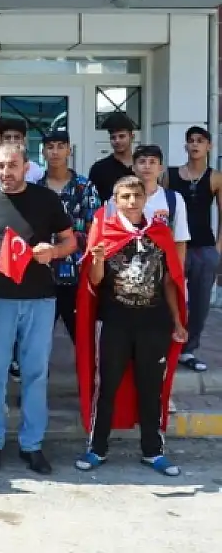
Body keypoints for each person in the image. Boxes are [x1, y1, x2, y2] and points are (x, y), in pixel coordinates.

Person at [0, 144, 76, 475]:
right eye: (0, 166)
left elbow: (71, 241)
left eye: (12, 165)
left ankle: (32, 445)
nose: (6, 172)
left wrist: (54, 252)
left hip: (40, 299)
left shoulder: (47, 198)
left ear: (27, 167)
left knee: (35, 373)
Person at [75, 176, 187, 477]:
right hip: (115, 322)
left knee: (152, 389)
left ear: (145, 198)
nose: (132, 201)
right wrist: (97, 259)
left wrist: (177, 320)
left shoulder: (160, 233)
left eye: (137, 195)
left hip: (154, 322)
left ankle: (153, 451)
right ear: (115, 200)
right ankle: (97, 448)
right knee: (107, 387)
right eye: (125, 196)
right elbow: (94, 281)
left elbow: (169, 281)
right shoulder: (105, 231)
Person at [168, 126, 222, 371]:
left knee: (200, 303)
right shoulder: (170, 175)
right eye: (191, 140)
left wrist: (218, 248)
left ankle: (189, 350)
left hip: (203, 247)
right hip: (175, 246)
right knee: (169, 297)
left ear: (209, 146)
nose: (195, 145)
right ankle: (168, 345)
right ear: (185, 145)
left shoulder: (215, 177)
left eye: (200, 141)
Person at [39, 132, 99, 344]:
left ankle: (87, 369)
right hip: (42, 273)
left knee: (82, 335)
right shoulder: (36, 187)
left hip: (76, 271)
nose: (55, 152)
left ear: (69, 150)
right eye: (50, 147)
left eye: (60, 146)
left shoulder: (85, 186)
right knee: (38, 337)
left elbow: (93, 229)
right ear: (43, 152)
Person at [130, 145, 190, 263]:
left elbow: (180, 240)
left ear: (160, 168)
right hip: (127, 267)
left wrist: (178, 272)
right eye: (142, 162)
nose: (147, 166)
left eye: (152, 162)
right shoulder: (118, 199)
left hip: (162, 266)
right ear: (133, 167)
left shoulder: (174, 199)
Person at [88, 114, 137, 202]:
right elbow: (92, 200)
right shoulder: (99, 168)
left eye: (122, 136)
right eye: (113, 137)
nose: (117, 141)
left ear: (132, 137)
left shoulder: (142, 166)